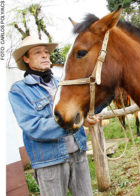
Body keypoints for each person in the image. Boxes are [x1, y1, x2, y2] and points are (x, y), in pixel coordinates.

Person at [8, 36, 96, 196]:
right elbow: (33, 126)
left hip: (77, 153)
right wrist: (71, 123)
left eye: (46, 52)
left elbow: (77, 111)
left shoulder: (62, 83)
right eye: (37, 52)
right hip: (49, 162)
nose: (45, 55)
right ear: (26, 58)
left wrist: (85, 119)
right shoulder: (19, 91)